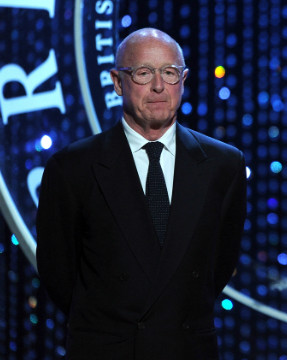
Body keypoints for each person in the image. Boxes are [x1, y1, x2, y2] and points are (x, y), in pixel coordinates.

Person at [36, 28, 247, 359]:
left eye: (169, 72)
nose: (159, 86)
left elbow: (219, 265)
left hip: (187, 346)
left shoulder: (224, 164)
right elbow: (58, 273)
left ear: (184, 79)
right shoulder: (73, 167)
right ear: (118, 82)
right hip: (106, 349)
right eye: (144, 73)